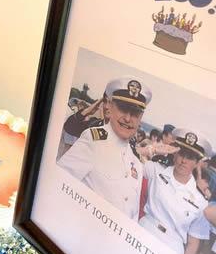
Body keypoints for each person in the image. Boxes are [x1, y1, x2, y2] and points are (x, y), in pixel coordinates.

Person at [58, 76, 152, 220]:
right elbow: (59, 183)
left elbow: (131, 215)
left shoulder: (136, 163)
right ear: (109, 107)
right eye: (123, 109)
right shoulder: (93, 140)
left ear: (141, 117)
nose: (128, 118)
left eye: (135, 113)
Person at [139, 128, 212, 254]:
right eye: (181, 154)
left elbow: (192, 243)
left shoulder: (200, 200)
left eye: (190, 157)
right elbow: (127, 158)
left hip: (171, 249)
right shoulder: (156, 170)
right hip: (144, 231)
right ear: (174, 154)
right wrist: (152, 149)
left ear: (197, 163)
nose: (183, 160)